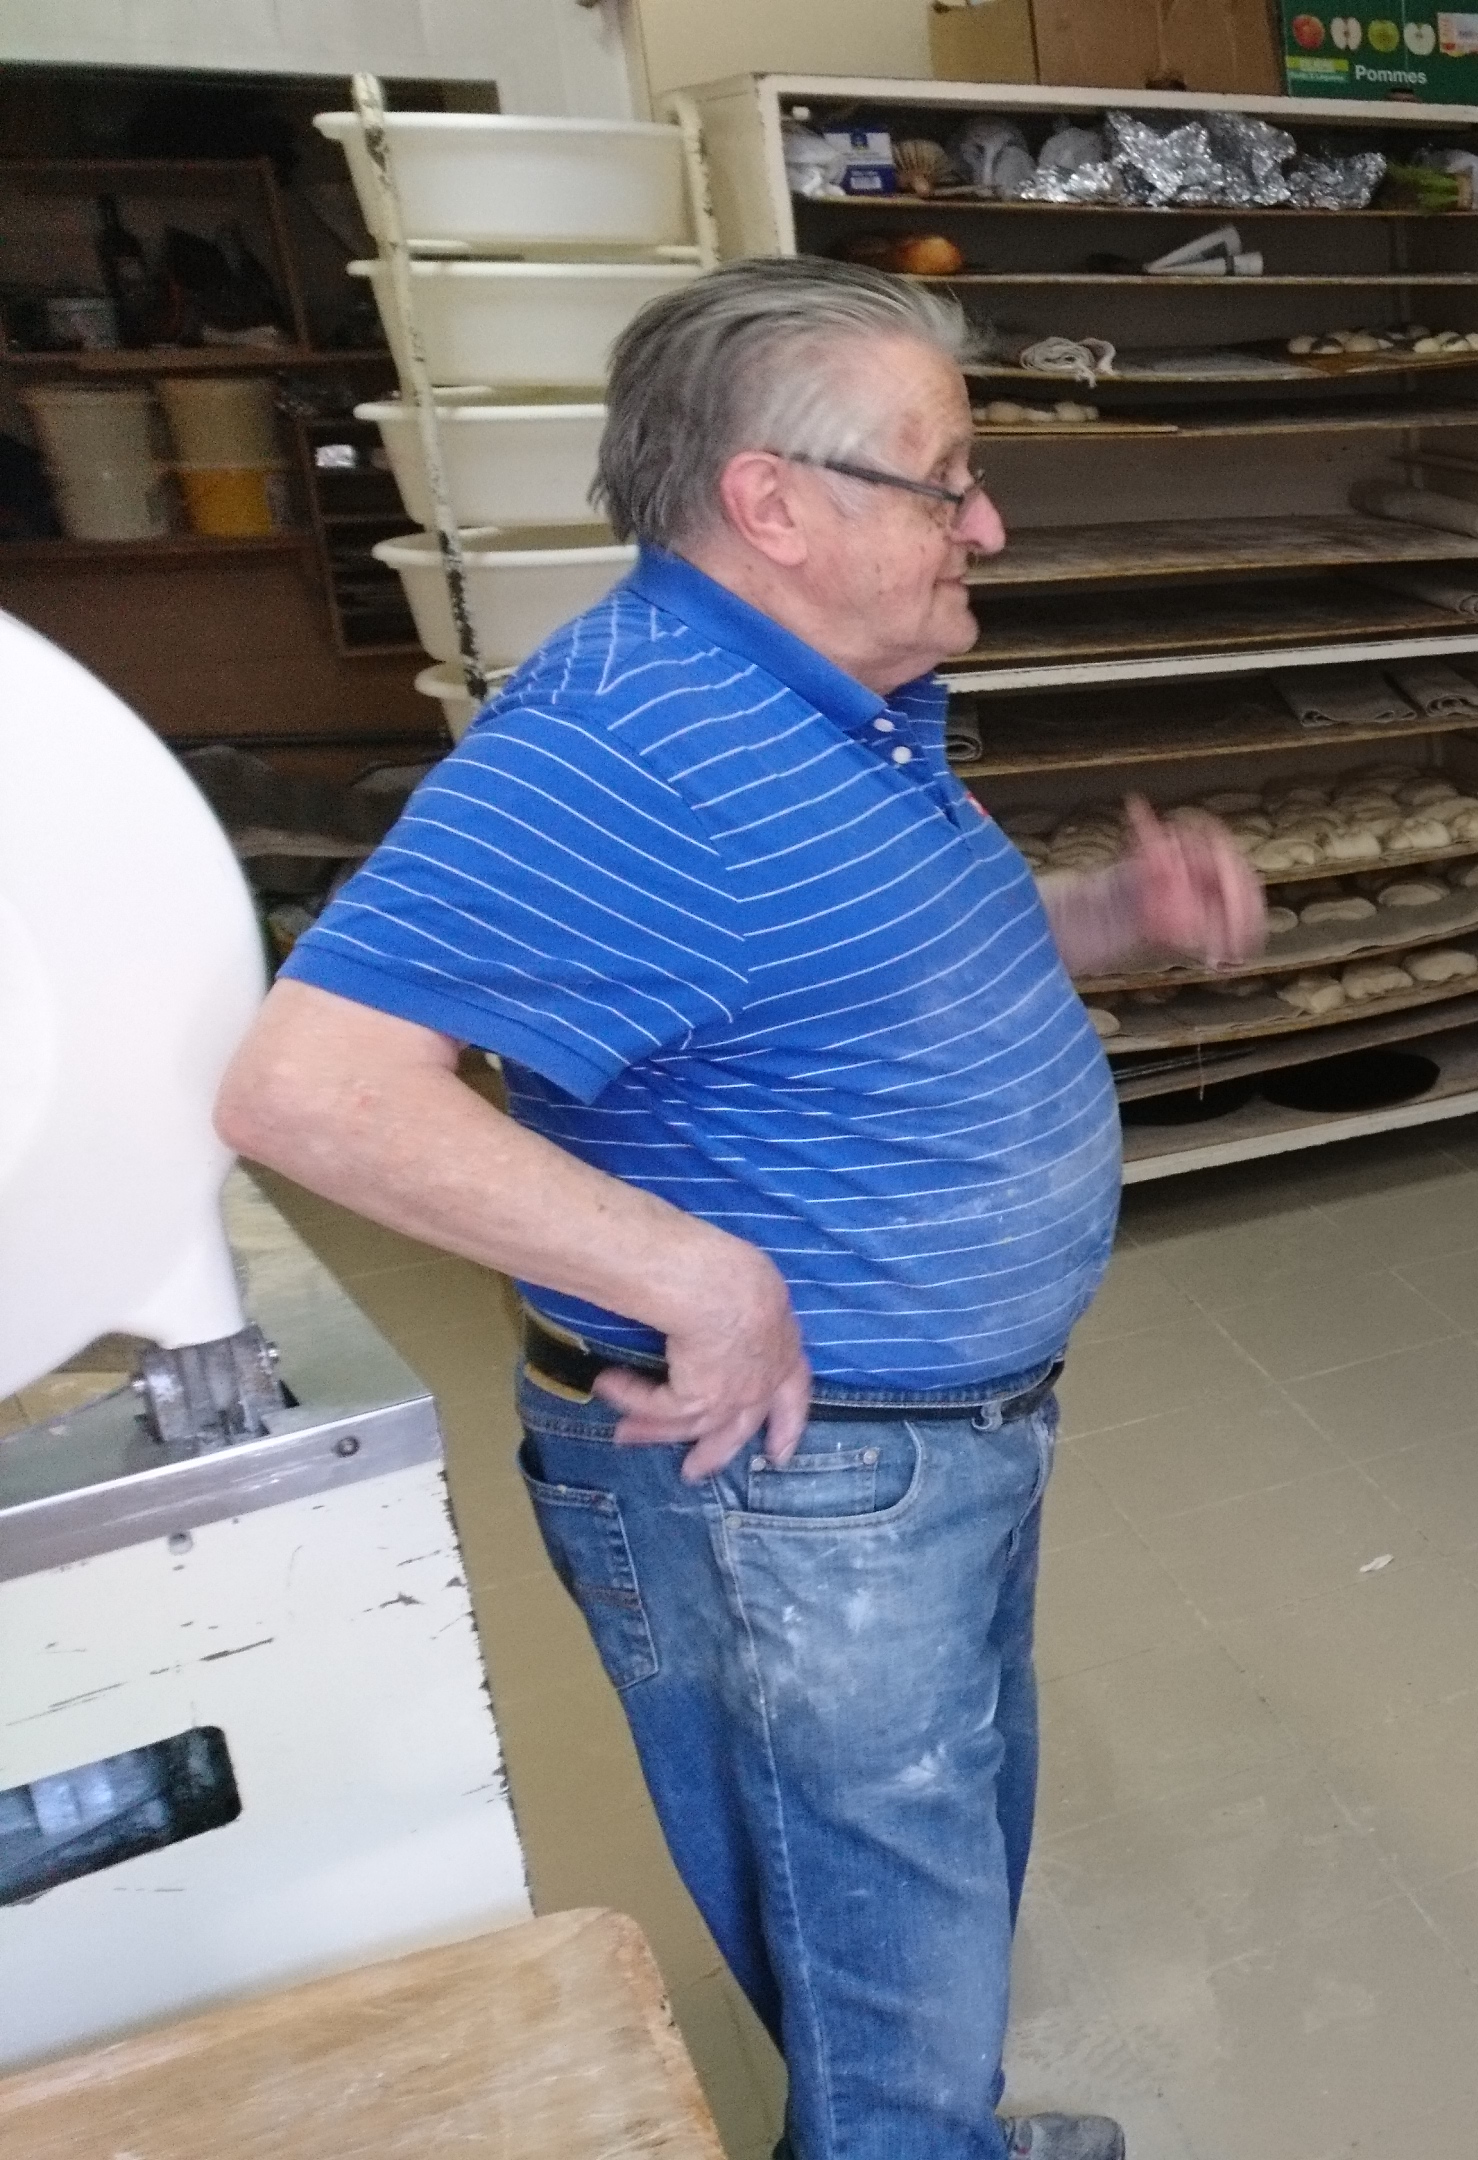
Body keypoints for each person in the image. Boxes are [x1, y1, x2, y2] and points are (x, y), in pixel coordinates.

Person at [216, 258, 1263, 2160]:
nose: (987, 526)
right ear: (774, 502)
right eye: (948, 483)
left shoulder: (840, 701)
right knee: (884, 1943)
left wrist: (1108, 922)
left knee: (928, 1875)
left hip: (924, 1444)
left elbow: (850, 973)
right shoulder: (627, 741)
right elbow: (310, 1086)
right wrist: (693, 1273)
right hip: (795, 1480)